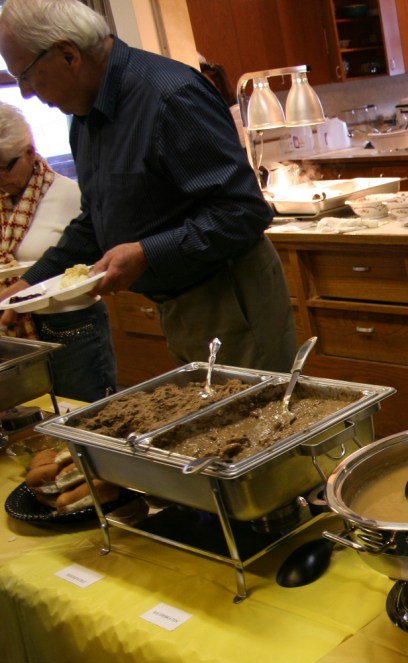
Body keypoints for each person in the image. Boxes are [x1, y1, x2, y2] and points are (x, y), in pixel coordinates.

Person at [0, 0, 297, 373]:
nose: (25, 92)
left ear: (67, 55)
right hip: (179, 301)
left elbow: (243, 213)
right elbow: (95, 220)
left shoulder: (169, 97)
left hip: (228, 295)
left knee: (257, 423)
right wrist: (27, 285)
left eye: (24, 75)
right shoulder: (85, 119)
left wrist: (147, 253)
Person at [0, 103, 115, 402]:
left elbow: (80, 257)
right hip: (17, 331)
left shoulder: (69, 195)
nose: (0, 177)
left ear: (29, 151)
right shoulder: (3, 203)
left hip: (70, 325)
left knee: (82, 412)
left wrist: (15, 296)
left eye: (5, 166)